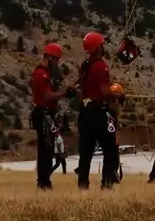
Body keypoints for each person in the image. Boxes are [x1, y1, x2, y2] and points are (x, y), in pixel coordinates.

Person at [74, 31, 120, 190]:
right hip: (98, 112)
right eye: (101, 43)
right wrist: (119, 96)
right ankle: (106, 184)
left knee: (86, 151)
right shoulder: (101, 66)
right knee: (109, 148)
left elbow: (81, 90)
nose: (103, 46)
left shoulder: (85, 66)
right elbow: (104, 91)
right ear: (98, 47)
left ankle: (82, 185)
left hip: (85, 112)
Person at [30, 42, 71, 190]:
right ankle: (44, 182)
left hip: (44, 114)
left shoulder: (43, 73)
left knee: (46, 150)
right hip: (44, 115)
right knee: (46, 150)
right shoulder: (42, 74)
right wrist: (65, 93)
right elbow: (47, 96)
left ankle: (44, 181)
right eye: (56, 60)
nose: (57, 63)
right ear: (49, 57)